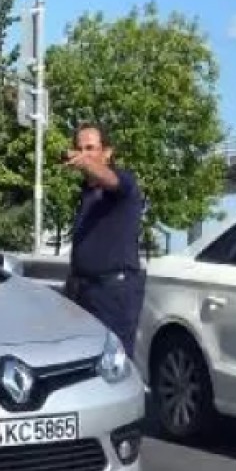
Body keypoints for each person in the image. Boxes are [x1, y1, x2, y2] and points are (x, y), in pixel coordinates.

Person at [62, 123, 147, 358]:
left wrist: (85, 162)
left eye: (91, 148)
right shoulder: (86, 192)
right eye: (79, 148)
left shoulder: (123, 184)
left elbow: (109, 178)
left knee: (113, 363)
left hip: (112, 293)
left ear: (107, 153)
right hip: (82, 290)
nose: (84, 154)